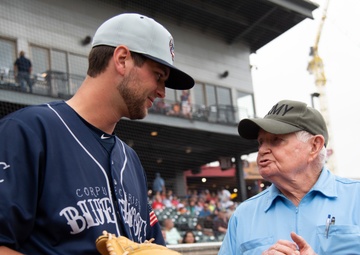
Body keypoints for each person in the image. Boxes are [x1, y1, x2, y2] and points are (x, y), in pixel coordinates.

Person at [0, 13, 194, 255]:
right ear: (122, 59)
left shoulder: (130, 160)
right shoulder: (28, 131)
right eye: (158, 76)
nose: (163, 92)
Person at [219, 99, 360, 255]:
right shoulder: (243, 215)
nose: (262, 150)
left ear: (314, 146)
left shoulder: (356, 198)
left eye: (276, 140)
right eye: (261, 142)